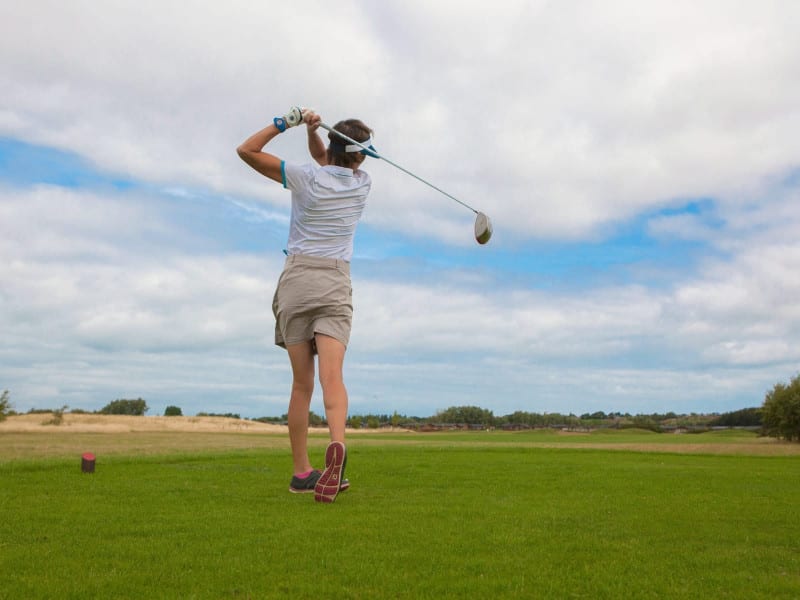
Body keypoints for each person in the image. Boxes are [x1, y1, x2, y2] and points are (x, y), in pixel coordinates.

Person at [236, 106, 375, 503]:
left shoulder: (305, 177)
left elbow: (247, 150)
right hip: (334, 281)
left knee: (302, 384)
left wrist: (289, 123)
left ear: (332, 146)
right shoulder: (362, 183)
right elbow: (332, 161)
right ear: (360, 156)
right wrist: (315, 133)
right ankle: (337, 443)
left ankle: (301, 472)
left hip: (297, 280)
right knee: (333, 379)